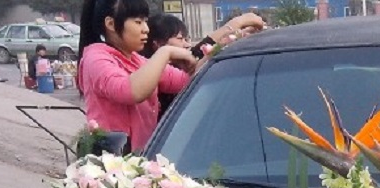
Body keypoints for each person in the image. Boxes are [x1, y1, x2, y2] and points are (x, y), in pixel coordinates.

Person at [78, 0, 263, 153]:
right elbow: (131, 91)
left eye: (145, 22)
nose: (145, 29)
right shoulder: (96, 57)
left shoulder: (136, 60)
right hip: (113, 166)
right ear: (110, 24)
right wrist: (165, 52)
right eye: (138, 22)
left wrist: (224, 44)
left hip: (141, 159)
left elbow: (185, 80)